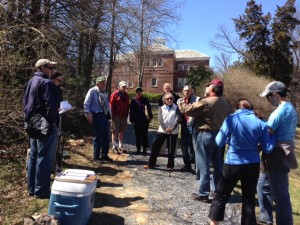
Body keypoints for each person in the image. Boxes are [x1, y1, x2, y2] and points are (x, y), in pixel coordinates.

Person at [208, 99, 275, 225]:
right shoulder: (261, 122)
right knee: (248, 198)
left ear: (236, 108)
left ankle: (214, 222)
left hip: (233, 163)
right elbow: (268, 148)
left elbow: (218, 142)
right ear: (251, 108)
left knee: (221, 194)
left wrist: (228, 138)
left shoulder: (231, 119)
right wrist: (273, 136)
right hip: (252, 164)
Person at [178, 79, 231, 203]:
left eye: (208, 86)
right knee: (217, 164)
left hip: (205, 135)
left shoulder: (206, 102)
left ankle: (203, 193)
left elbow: (188, 110)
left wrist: (180, 102)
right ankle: (217, 190)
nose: (206, 88)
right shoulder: (226, 103)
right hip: (219, 135)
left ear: (212, 89)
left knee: (203, 165)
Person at [259, 81, 298, 225]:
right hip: (276, 152)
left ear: (275, 95)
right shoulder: (290, 108)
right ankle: (265, 218)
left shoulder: (281, 110)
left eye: (268, 97)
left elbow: (268, 131)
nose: (268, 100)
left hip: (277, 153)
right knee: (263, 185)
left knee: (280, 196)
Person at [23, 58, 59, 199]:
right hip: (44, 126)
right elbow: (51, 106)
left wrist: (28, 121)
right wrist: (52, 123)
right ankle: (42, 190)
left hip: (32, 124)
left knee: (33, 156)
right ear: (43, 68)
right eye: (51, 67)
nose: (52, 71)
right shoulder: (47, 83)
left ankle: (31, 188)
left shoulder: (30, 82)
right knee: (44, 157)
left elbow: (25, 104)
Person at [144, 93, 180, 171]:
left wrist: (172, 128)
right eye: (168, 99)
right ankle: (151, 164)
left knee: (171, 149)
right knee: (155, 146)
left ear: (173, 99)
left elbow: (177, 118)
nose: (169, 100)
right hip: (162, 130)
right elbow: (160, 119)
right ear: (164, 100)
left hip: (173, 131)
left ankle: (170, 166)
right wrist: (165, 128)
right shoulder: (161, 108)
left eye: (171, 98)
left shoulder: (177, 107)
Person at [84, 76, 112, 162]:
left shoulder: (104, 92)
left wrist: (110, 115)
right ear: (97, 83)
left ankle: (104, 154)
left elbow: (107, 104)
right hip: (96, 116)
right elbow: (86, 103)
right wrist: (88, 114)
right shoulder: (92, 91)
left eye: (104, 82)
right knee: (98, 137)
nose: (104, 84)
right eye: (102, 82)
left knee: (106, 137)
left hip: (104, 115)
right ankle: (96, 157)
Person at [177, 85, 200, 173]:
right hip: (184, 126)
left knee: (194, 147)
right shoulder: (180, 101)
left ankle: (196, 167)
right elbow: (179, 112)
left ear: (192, 91)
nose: (186, 92)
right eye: (185, 90)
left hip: (194, 126)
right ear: (183, 92)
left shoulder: (197, 100)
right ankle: (187, 165)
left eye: (188, 90)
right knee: (184, 147)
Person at [129, 87, 153, 155]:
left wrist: (150, 117)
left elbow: (149, 109)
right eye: (137, 92)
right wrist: (131, 120)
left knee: (144, 135)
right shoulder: (133, 101)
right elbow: (131, 112)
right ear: (136, 93)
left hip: (144, 121)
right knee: (138, 135)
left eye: (140, 92)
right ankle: (138, 149)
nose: (139, 93)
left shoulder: (145, 100)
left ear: (141, 93)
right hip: (136, 121)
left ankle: (144, 149)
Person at [158, 83, 180, 156]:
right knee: (163, 139)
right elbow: (160, 112)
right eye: (165, 88)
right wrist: (163, 125)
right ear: (163, 89)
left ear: (171, 88)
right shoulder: (160, 97)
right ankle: (162, 152)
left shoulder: (176, 97)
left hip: (174, 121)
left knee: (174, 139)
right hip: (164, 121)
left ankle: (173, 153)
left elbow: (178, 112)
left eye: (168, 87)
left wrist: (173, 126)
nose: (167, 89)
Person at [110, 81, 130, 154]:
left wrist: (127, 114)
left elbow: (127, 105)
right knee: (115, 131)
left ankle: (120, 145)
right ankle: (114, 146)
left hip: (124, 116)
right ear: (119, 87)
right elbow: (111, 105)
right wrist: (111, 115)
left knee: (122, 130)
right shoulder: (115, 94)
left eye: (125, 87)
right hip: (116, 116)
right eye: (123, 86)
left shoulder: (126, 95)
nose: (124, 88)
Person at [50, 71, 63, 172]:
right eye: (58, 80)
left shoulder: (59, 90)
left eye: (60, 81)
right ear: (53, 79)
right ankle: (50, 167)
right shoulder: (48, 88)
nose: (59, 82)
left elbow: (61, 103)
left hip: (57, 118)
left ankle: (53, 165)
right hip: (50, 120)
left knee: (55, 144)